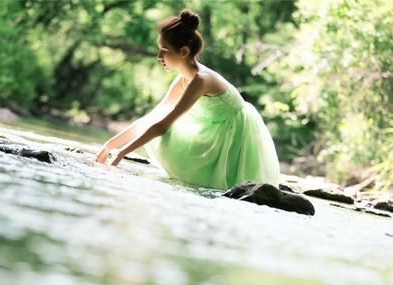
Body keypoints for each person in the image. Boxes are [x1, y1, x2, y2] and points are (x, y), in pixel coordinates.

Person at [95, 9, 280, 190]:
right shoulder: (182, 78)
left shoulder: (201, 80)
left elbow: (162, 126)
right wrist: (110, 144)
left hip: (231, 135)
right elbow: (153, 117)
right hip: (210, 127)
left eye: (164, 51)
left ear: (183, 52)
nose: (159, 57)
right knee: (152, 126)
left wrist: (121, 153)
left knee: (160, 133)